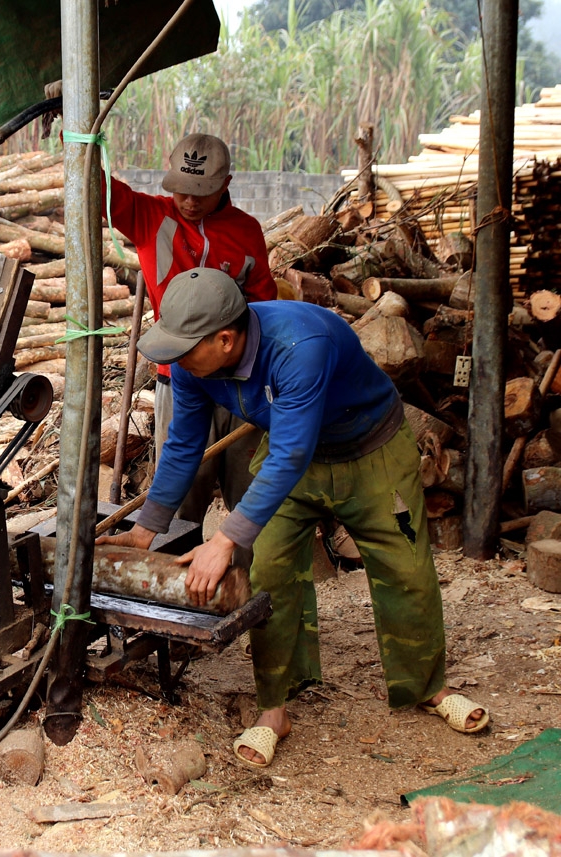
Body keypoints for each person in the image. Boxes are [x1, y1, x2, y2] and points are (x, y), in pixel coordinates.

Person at [98, 267, 488, 768]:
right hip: (293, 462)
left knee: (406, 571)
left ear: (224, 338)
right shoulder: (196, 367)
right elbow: (183, 445)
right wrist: (144, 530)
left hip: (371, 451)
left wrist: (224, 539)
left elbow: (290, 451)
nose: (175, 358)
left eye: (184, 347)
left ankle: (428, 686)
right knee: (269, 574)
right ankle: (274, 708)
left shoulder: (301, 344)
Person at [107, 133, 276, 530]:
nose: (190, 201)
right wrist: (72, 126)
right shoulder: (149, 216)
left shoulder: (246, 231)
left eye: (201, 192)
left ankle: (245, 582)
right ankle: (170, 577)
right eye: (182, 190)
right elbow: (94, 187)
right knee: (184, 482)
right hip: (179, 376)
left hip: (241, 380)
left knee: (248, 481)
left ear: (226, 185)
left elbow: (265, 305)